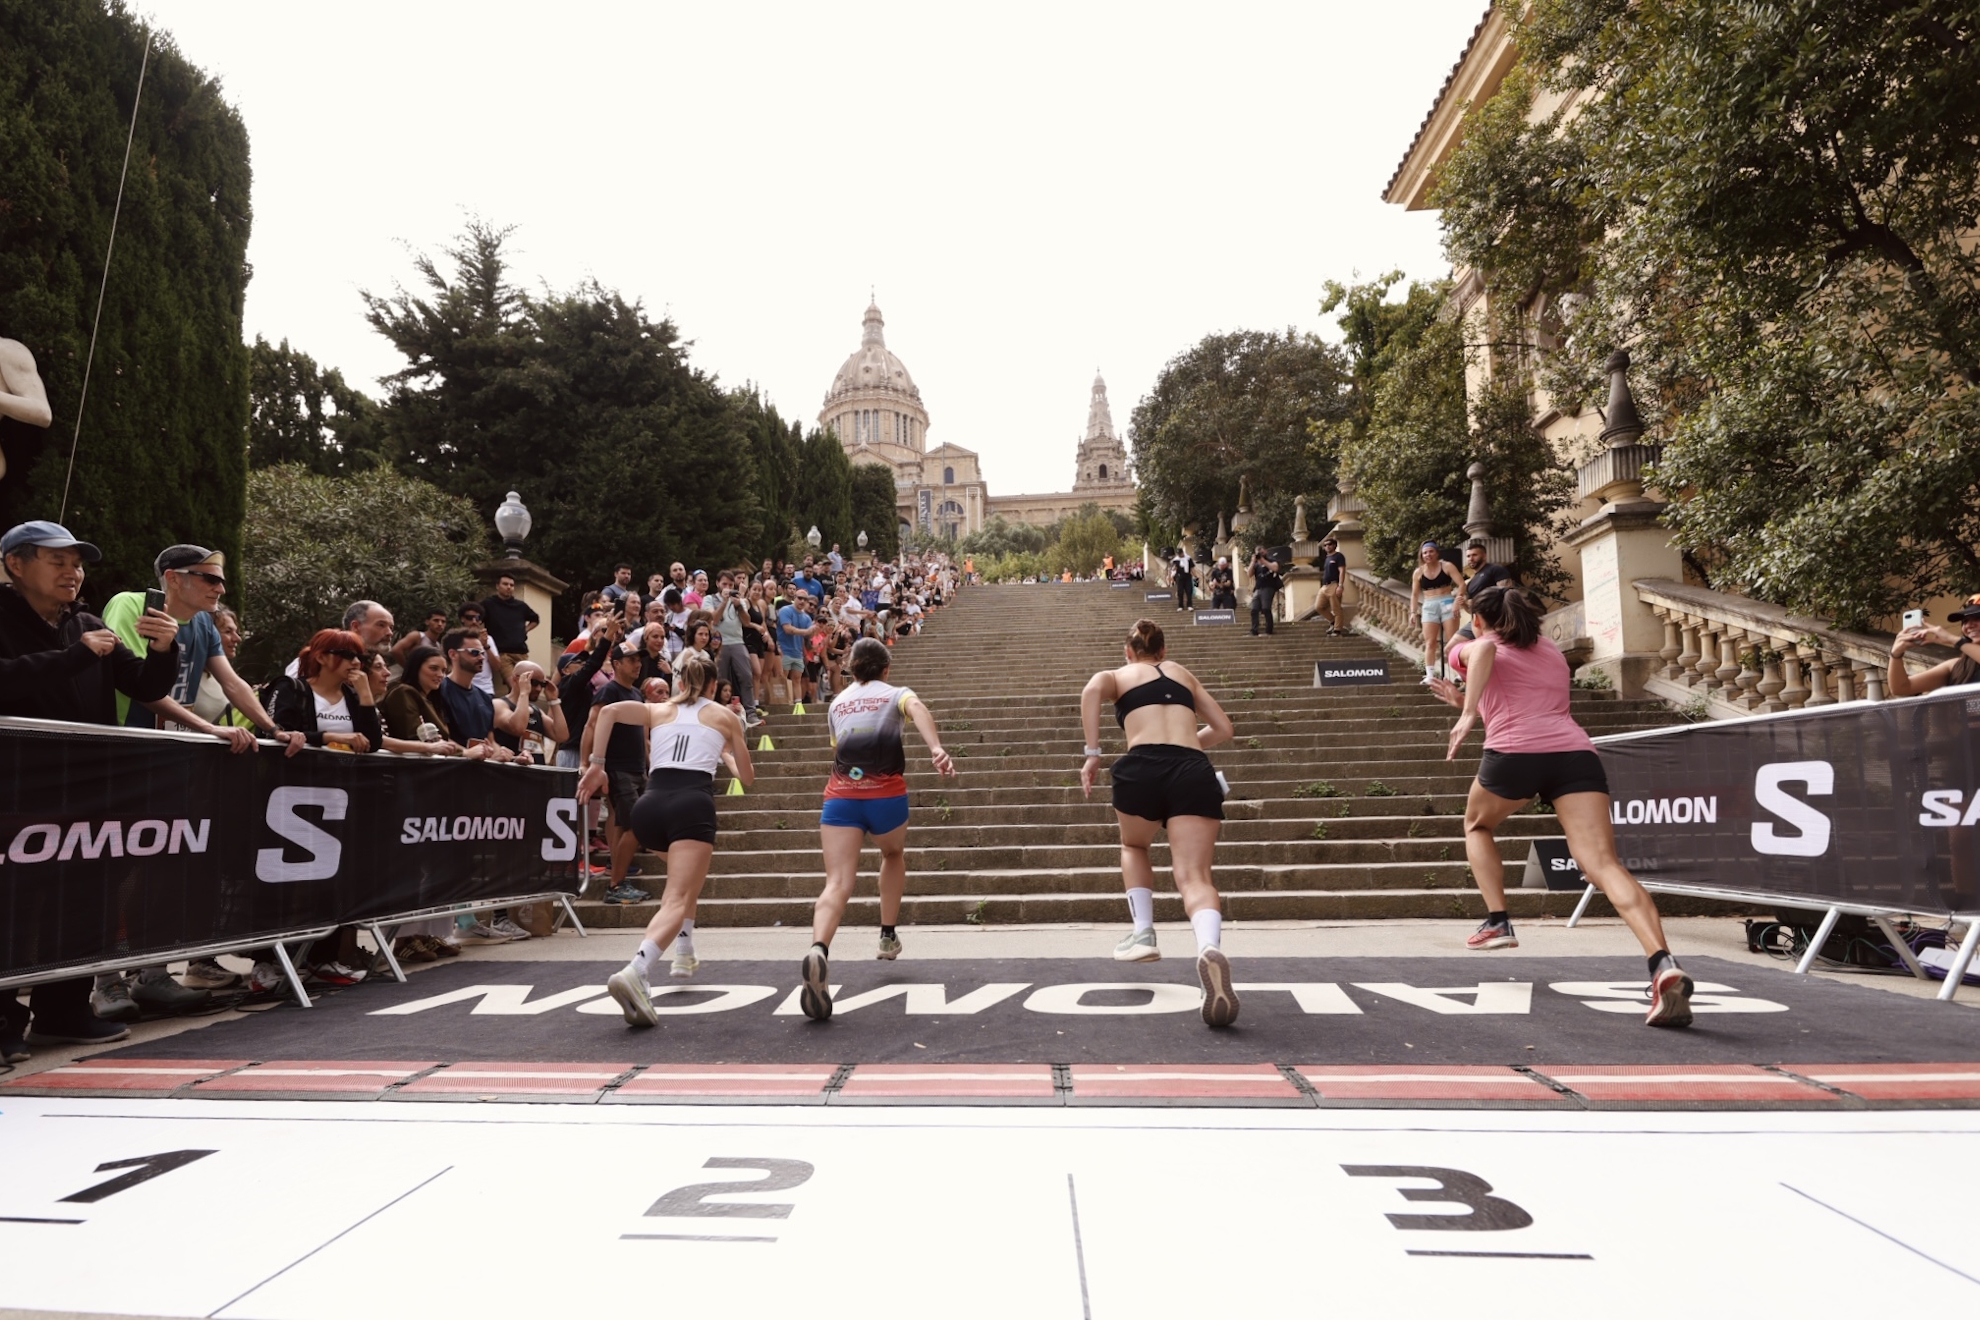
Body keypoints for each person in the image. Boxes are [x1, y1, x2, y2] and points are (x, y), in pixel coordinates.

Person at [1430, 584, 1693, 1026]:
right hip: (1573, 756)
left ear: (1480, 621)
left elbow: (1483, 655)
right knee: (1603, 865)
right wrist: (1471, 699)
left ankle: (1497, 920)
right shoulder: (1549, 649)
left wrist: (1467, 711)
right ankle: (1662, 963)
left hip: (1515, 754)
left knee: (1476, 825)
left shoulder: (1480, 643)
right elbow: (1522, 691)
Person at [0, 520, 178, 1054]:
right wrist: (77, 655)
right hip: (15, 789)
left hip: (84, 792)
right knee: (13, 907)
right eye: (57, 561)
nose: (73, 572)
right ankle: (4, 1023)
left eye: (77, 563)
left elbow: (144, 685)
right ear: (15, 564)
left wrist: (164, 650)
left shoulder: (86, 621)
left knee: (81, 902)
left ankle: (64, 1010)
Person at [1079, 618, 1240, 1027]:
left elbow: (1092, 690)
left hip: (1142, 768)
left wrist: (1094, 752)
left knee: (1135, 846)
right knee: (1195, 876)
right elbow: (1224, 729)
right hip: (1193, 770)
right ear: (1164, 652)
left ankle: (1144, 933)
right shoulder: (1183, 675)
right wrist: (1184, 744)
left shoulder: (1118, 674)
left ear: (1129, 651)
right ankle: (1207, 948)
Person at [585, 654, 754, 1024]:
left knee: (683, 884)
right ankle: (638, 968)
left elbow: (609, 711)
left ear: (679, 683)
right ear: (714, 686)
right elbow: (747, 776)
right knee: (679, 895)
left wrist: (597, 764)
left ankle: (684, 947)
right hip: (691, 803)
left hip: (650, 807)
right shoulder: (725, 716)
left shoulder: (657, 710)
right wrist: (729, 748)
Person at [798, 638, 956, 1020]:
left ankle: (819, 948)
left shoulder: (837, 702)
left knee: (836, 883)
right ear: (886, 668)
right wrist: (935, 747)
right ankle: (887, 934)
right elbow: (916, 707)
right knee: (892, 853)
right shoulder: (897, 693)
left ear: (851, 668)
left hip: (841, 797)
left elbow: (840, 749)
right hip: (886, 796)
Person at [582, 642, 655, 905]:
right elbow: (591, 726)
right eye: (631, 660)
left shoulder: (636, 693)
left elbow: (643, 735)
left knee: (629, 823)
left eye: (639, 660)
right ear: (616, 664)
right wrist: (587, 763)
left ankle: (618, 875)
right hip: (617, 767)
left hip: (637, 768)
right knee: (634, 824)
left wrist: (649, 764)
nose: (637, 664)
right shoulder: (608, 691)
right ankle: (616, 884)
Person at [1889, 594, 1980, 697]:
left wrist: (1953, 639)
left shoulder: (1956, 648)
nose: (1969, 625)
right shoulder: (1955, 665)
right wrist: (1896, 654)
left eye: (1977, 618)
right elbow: (1902, 688)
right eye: (1965, 621)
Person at [710, 571, 761, 724]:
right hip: (720, 644)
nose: (727, 588)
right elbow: (714, 620)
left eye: (731, 585)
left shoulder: (740, 600)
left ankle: (751, 712)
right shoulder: (710, 599)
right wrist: (724, 602)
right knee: (721, 679)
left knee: (746, 676)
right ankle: (719, 712)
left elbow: (746, 622)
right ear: (718, 584)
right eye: (724, 584)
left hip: (737, 641)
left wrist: (739, 606)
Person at [1409, 541, 1462, 683]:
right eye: (1425, 552)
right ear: (1421, 555)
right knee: (1430, 641)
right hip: (1429, 604)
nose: (1428, 555)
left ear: (1437, 552)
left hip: (1447, 601)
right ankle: (1430, 675)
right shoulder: (1418, 572)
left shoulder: (1447, 566)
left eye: (1431, 551)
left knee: (1453, 640)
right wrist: (1413, 612)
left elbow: (1462, 584)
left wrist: (1457, 601)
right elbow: (1414, 594)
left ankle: (1460, 673)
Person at [479, 572, 538, 700]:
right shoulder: (488, 604)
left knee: (527, 687)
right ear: (497, 586)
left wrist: (525, 631)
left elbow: (535, 619)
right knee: (515, 686)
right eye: (505, 584)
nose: (509, 587)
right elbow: (477, 620)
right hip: (502, 653)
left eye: (511, 585)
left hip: (521, 653)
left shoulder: (520, 606)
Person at [778, 591, 818, 704]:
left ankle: (798, 705)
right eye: (800, 598)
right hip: (784, 650)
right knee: (784, 678)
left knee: (797, 679)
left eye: (805, 599)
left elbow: (810, 636)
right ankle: (784, 703)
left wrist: (816, 629)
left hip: (797, 652)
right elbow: (788, 629)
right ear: (794, 598)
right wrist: (806, 631)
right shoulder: (785, 610)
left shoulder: (806, 617)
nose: (802, 601)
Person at [1318, 535, 1349, 635]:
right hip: (1324, 586)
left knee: (1336, 608)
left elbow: (1342, 571)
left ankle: (1337, 629)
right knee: (1319, 606)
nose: (1327, 546)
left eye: (1329, 544)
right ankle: (1332, 621)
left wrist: (1340, 585)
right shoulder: (1327, 558)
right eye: (1325, 545)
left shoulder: (1338, 556)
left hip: (1334, 585)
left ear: (1334, 545)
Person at [1249, 549, 1281, 637]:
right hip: (1258, 589)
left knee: (1266, 608)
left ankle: (1268, 630)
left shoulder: (1271, 560)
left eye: (1262, 552)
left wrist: (1263, 561)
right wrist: (1253, 562)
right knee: (1254, 609)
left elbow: (1275, 568)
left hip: (1268, 588)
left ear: (1266, 552)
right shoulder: (1256, 565)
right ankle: (1254, 630)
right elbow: (1249, 574)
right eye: (1258, 553)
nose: (1260, 554)